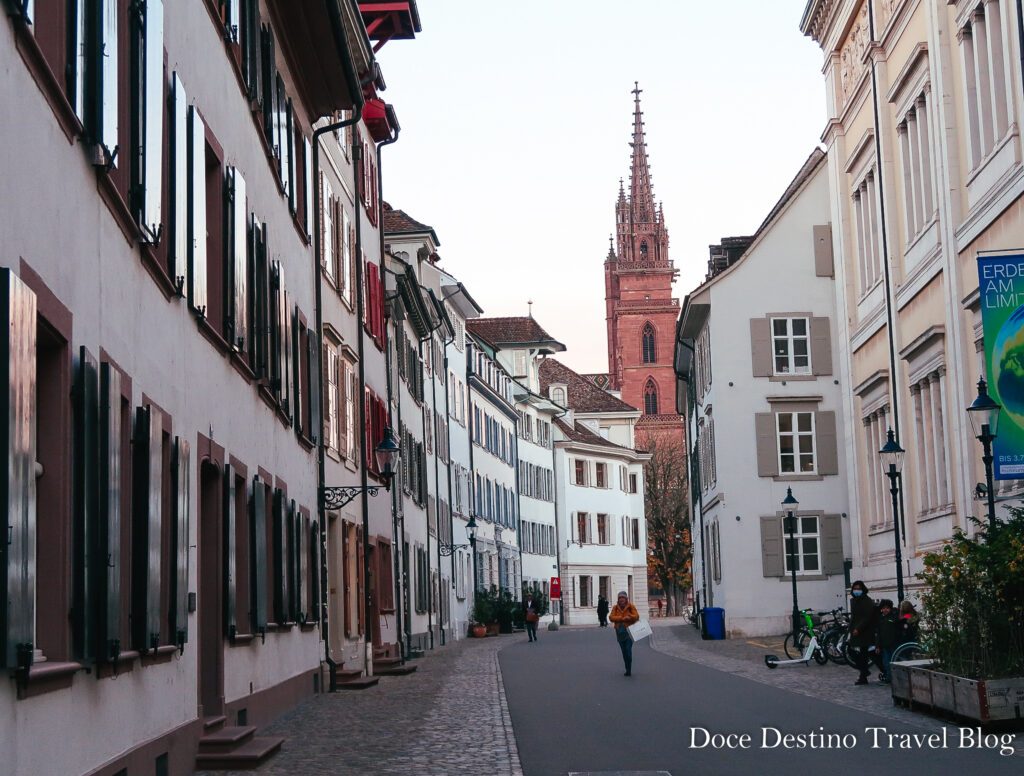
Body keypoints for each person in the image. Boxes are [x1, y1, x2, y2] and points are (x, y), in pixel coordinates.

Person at [847, 580, 876, 685]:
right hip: (855, 630)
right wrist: (850, 628)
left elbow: (867, 617)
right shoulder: (854, 600)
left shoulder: (866, 601)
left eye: (859, 589)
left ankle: (863, 675)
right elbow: (854, 616)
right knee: (850, 650)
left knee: (863, 653)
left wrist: (858, 628)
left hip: (864, 631)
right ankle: (864, 672)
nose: (857, 591)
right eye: (855, 589)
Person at [608, 591, 640, 676]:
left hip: (629, 631)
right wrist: (621, 618)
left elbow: (637, 616)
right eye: (620, 598)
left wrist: (629, 617)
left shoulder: (631, 607)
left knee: (628, 650)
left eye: (623, 598)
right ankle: (627, 668)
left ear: (626, 599)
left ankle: (629, 669)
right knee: (624, 651)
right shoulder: (615, 608)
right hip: (619, 632)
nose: (621, 599)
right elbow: (611, 617)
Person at [874, 599, 899, 683]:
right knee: (886, 662)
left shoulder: (894, 617)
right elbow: (878, 633)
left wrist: (909, 616)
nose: (885, 610)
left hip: (893, 643)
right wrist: (877, 646)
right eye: (884, 608)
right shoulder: (880, 619)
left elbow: (901, 620)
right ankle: (889, 677)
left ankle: (893, 677)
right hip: (884, 645)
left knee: (893, 661)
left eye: (887, 608)